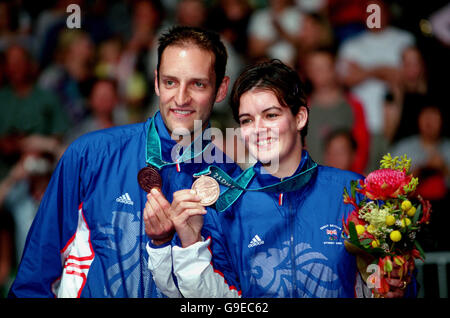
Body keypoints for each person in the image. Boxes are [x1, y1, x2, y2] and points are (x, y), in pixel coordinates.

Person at [146, 60, 415, 298]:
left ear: (299, 117)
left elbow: (392, 281)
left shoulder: (351, 191)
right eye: (247, 120)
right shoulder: (228, 205)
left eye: (271, 115)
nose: (259, 129)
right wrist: (191, 244)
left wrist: (395, 286)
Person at [8, 26, 240, 298]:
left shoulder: (231, 185)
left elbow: (232, 294)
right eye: (170, 82)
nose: (181, 98)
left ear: (221, 89)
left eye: (197, 84)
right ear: (156, 82)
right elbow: (35, 277)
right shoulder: (90, 155)